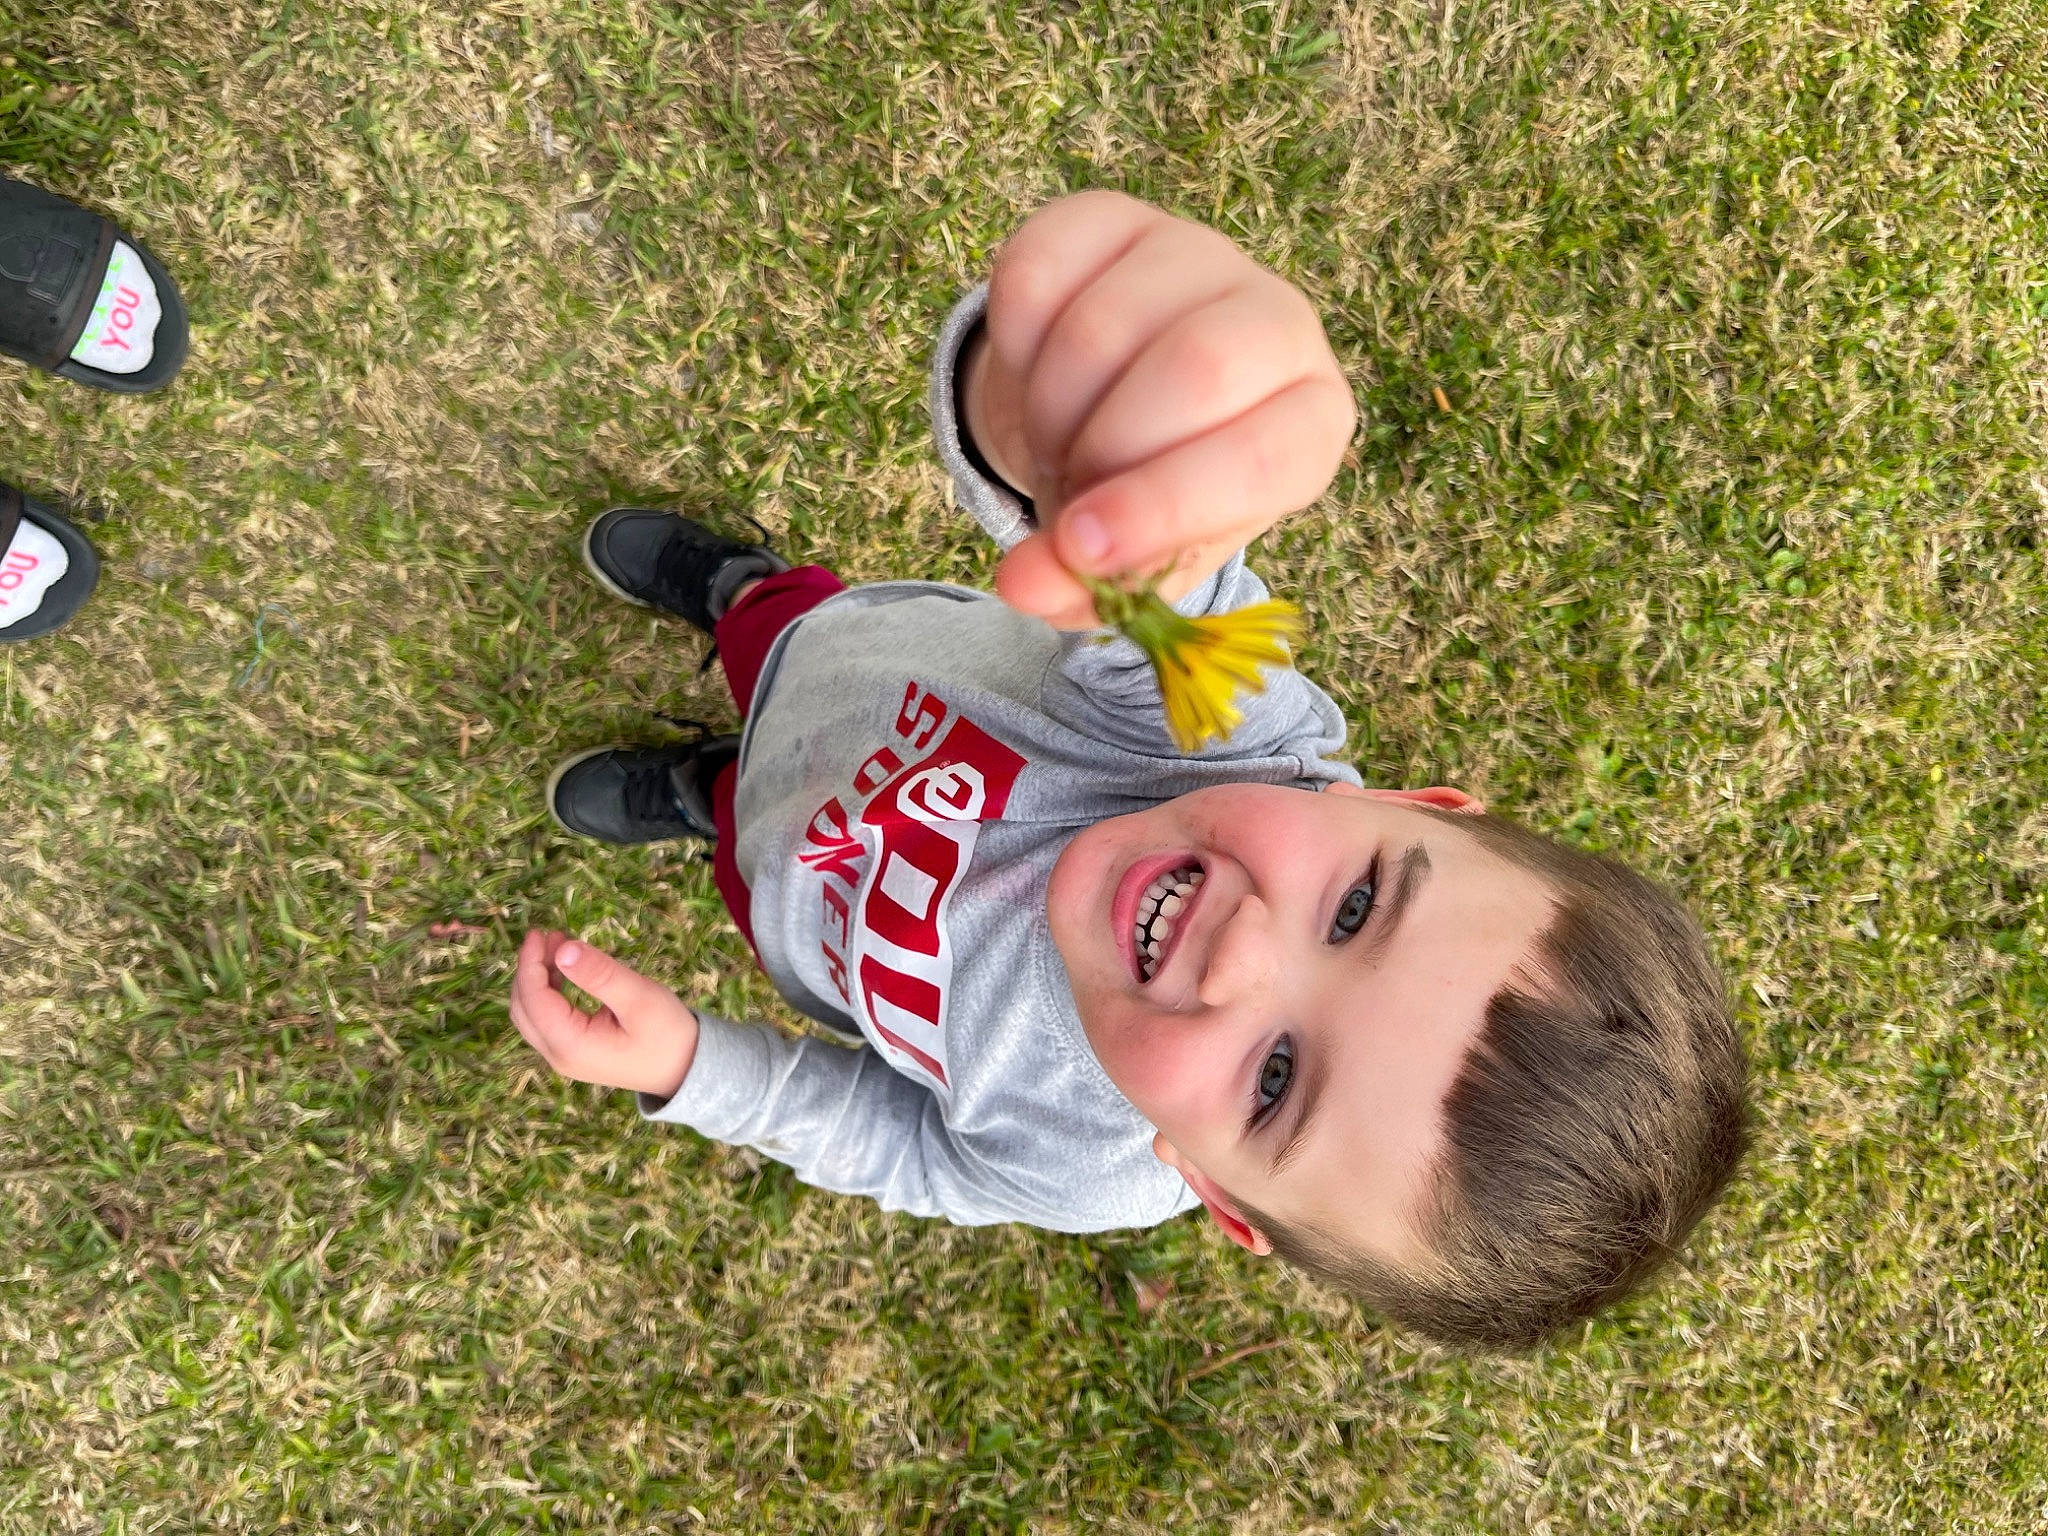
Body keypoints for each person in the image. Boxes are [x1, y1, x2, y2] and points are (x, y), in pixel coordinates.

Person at [509, 191, 1747, 1350]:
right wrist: (1080, 424)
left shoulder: (1079, 1168)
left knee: (745, 832)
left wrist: (690, 1069)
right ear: (1396, 804)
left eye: (1275, 1083)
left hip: (798, 910)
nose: (1238, 953)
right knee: (773, 628)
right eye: (1356, 905)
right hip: (842, 657)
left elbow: (903, 1149)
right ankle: (733, 592)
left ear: (1214, 1192)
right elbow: (1128, 551)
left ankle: (709, 796)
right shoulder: (1222, 731)